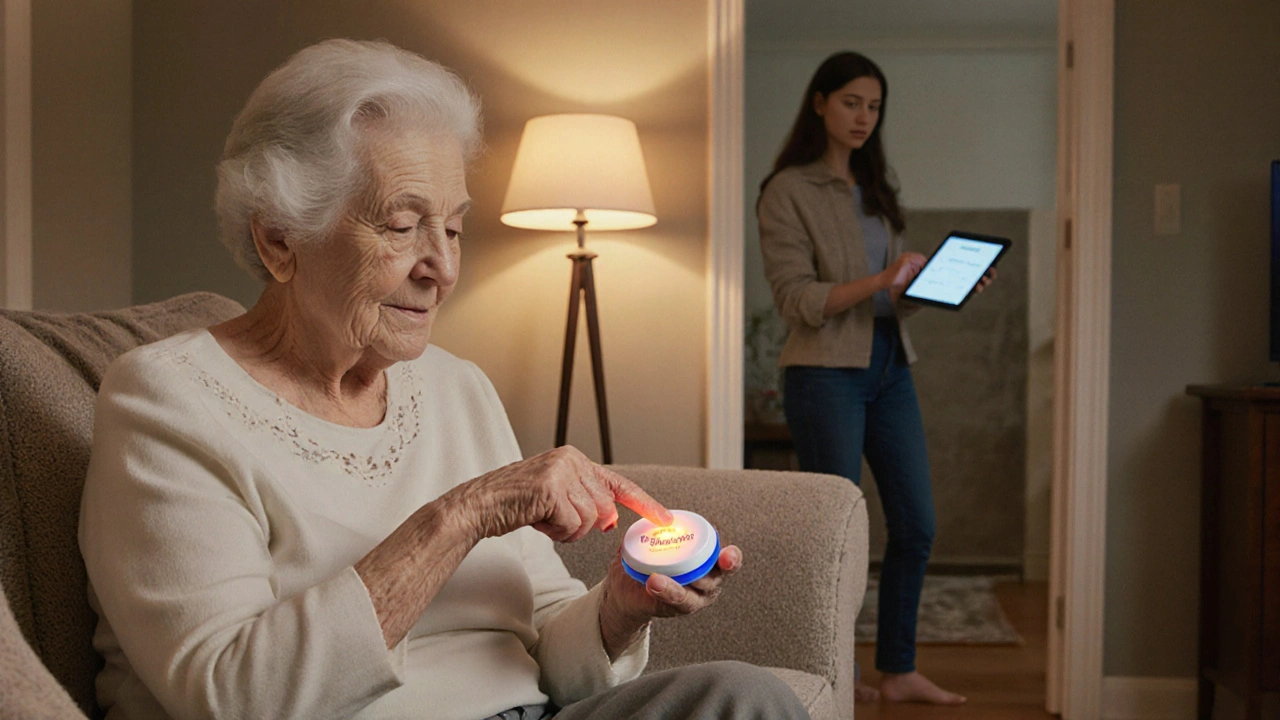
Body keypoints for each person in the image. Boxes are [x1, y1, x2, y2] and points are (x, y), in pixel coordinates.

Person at [78, 39, 810, 720]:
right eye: (401, 227)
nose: (443, 268)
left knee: (744, 697)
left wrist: (620, 607)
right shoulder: (167, 402)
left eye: (453, 228)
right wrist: (463, 514)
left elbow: (553, 655)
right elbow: (234, 695)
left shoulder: (455, 387)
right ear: (279, 240)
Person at [756, 51, 994, 706]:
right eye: (852, 102)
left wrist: (943, 285)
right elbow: (798, 300)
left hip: (891, 367)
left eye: (875, 106)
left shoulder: (877, 189)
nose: (864, 116)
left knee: (916, 523)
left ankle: (897, 668)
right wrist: (883, 280)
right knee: (835, 532)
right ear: (820, 104)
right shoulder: (787, 190)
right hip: (824, 375)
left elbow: (890, 300)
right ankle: (833, 666)